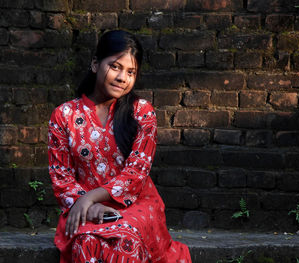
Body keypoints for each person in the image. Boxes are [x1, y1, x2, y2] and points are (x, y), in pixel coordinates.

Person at [48, 30, 192, 263]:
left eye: (131, 72)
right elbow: (61, 177)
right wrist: (86, 204)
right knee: (87, 243)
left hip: (137, 206)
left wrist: (91, 198)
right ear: (95, 64)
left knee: (125, 239)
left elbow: (136, 173)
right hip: (83, 208)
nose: (122, 77)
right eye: (115, 66)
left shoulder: (141, 113)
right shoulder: (64, 115)